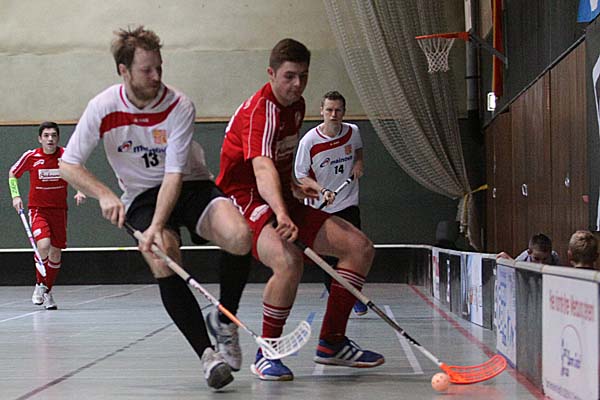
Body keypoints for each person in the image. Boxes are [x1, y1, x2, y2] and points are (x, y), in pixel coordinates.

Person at [58, 26, 252, 390]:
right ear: (124, 71)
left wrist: (156, 226)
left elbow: (174, 175)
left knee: (240, 236)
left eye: (159, 67)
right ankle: (207, 355)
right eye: (147, 70)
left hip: (190, 184)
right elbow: (68, 164)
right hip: (141, 195)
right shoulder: (103, 107)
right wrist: (104, 193)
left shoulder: (179, 105)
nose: (157, 76)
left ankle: (225, 321)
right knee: (163, 256)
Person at [216, 38, 384, 382]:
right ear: (271, 73)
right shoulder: (261, 110)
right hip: (244, 199)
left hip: (279, 194)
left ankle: (332, 343)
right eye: (289, 76)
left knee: (359, 248)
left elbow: (279, 162)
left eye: (303, 76)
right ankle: (268, 353)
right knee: (288, 260)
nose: (297, 84)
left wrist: (294, 186)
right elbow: (261, 168)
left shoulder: (296, 105)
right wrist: (282, 212)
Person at [294, 90, 368, 315]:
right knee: (329, 258)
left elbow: (358, 151)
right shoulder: (309, 141)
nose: (333, 114)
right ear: (321, 111)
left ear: (344, 112)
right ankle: (341, 299)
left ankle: (353, 295)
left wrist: (358, 162)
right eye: (329, 110)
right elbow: (300, 175)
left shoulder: (353, 131)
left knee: (356, 250)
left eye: (338, 110)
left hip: (348, 201)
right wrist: (322, 190)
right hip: (321, 207)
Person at [9, 121, 86, 310]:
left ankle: (47, 291)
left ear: (58, 138)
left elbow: (77, 173)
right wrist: (15, 196)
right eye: (46, 135)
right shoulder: (31, 156)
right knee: (43, 245)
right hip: (38, 210)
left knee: (56, 252)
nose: (50, 139)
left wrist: (80, 190)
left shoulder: (65, 155)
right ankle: (39, 284)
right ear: (40, 139)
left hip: (59, 211)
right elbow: (13, 173)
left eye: (53, 135)